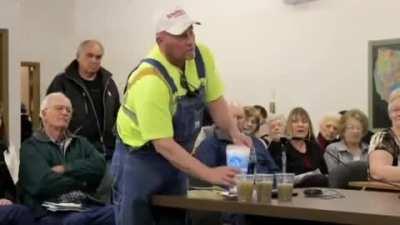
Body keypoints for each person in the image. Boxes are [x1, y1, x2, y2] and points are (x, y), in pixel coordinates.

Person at [112, 7, 251, 225]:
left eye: (191, 32)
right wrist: (210, 174)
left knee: (174, 217)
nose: (190, 41)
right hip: (139, 158)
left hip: (177, 156)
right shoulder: (149, 80)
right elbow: (163, 145)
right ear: (160, 41)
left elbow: (215, 102)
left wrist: (234, 132)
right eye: (181, 36)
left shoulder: (201, 56)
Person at [19, 93, 115, 225]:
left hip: (84, 205)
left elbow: (99, 165)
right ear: (43, 114)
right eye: (59, 108)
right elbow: (42, 184)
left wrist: (66, 168)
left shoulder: (81, 142)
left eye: (68, 110)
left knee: (118, 213)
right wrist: (83, 181)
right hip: (49, 211)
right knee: (76, 221)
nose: (65, 113)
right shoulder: (30, 147)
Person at [47, 40, 120, 159]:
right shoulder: (62, 83)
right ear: (78, 57)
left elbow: (118, 114)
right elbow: (49, 118)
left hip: (107, 154)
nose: (94, 60)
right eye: (89, 55)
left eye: (98, 57)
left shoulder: (108, 83)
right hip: (75, 155)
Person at [195, 103, 279, 174]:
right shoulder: (212, 143)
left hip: (262, 188)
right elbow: (203, 176)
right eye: (239, 118)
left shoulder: (258, 143)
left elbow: (274, 170)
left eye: (253, 122)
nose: (248, 124)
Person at [269, 107, 328, 187]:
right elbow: (273, 177)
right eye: (295, 122)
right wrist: (306, 177)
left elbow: (325, 174)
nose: (300, 125)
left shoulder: (314, 146)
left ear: (309, 126)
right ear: (288, 126)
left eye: (304, 122)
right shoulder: (279, 145)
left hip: (316, 193)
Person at [370, 90, 400, 182]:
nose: (399, 113)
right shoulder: (383, 137)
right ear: (390, 114)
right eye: (395, 110)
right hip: (389, 193)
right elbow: (378, 172)